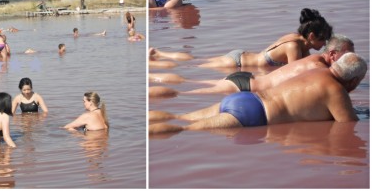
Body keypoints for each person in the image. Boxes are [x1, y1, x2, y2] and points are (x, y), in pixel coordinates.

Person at [149, 53, 367, 134]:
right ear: (355, 80)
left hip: (245, 98)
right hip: (253, 114)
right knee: (184, 129)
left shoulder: (317, 69)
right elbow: (348, 125)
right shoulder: (335, 90)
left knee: (181, 117)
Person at [152, 35, 354, 96]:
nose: (349, 59)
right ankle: (153, 71)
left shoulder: (308, 56)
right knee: (187, 85)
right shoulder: (317, 69)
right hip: (244, 80)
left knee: (191, 76)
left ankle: (151, 75)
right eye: (347, 55)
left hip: (246, 77)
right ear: (333, 54)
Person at [199, 8, 332, 69]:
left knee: (194, 63)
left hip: (241, 57)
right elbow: (294, 74)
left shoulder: (299, 42)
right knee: (193, 68)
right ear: (311, 36)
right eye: (323, 39)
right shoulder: (294, 46)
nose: (324, 43)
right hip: (237, 64)